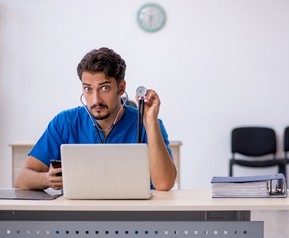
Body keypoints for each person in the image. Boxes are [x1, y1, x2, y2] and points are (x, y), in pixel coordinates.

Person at [14, 47, 177, 191]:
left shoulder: (148, 123)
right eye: (88, 89)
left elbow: (164, 184)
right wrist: (47, 179)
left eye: (104, 88)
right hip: (78, 220)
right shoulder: (65, 122)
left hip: (135, 219)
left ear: (121, 88)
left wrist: (150, 122)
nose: (95, 99)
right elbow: (22, 178)